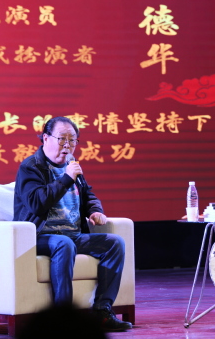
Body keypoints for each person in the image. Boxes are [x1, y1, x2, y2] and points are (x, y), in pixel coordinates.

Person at [13, 116, 132, 332]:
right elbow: (36, 203)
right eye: (62, 139)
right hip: (39, 237)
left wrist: (95, 210)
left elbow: (88, 195)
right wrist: (66, 178)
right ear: (46, 138)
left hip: (72, 235)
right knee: (64, 244)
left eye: (72, 140)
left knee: (114, 243)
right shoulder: (31, 167)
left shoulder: (72, 165)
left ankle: (102, 312)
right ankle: (63, 317)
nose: (67, 145)